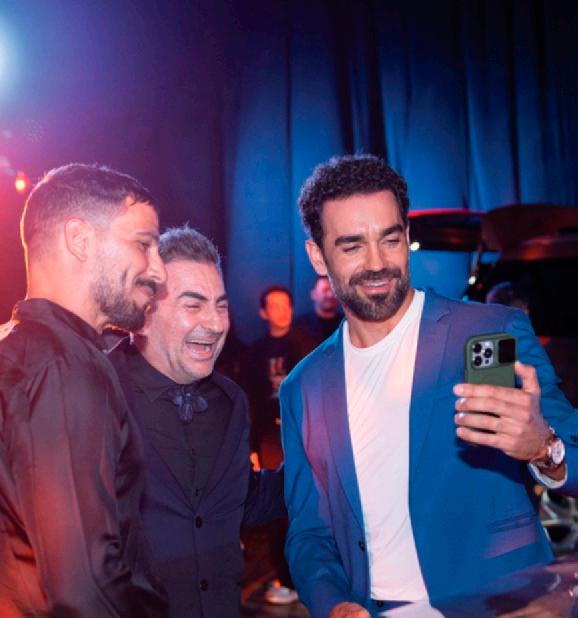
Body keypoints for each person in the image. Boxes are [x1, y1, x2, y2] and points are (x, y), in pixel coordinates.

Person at [280, 154, 578, 618]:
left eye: (390, 239)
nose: (377, 263)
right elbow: (309, 532)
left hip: (502, 605)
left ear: (406, 237)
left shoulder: (487, 334)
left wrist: (545, 448)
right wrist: (333, 603)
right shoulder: (304, 386)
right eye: (353, 246)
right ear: (317, 256)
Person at [0, 163, 169, 616]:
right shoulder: (66, 367)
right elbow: (85, 585)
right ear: (80, 239)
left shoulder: (18, 350)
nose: (158, 271)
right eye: (144, 244)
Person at [108, 225, 285, 618]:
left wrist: (325, 463)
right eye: (194, 305)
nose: (216, 323)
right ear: (144, 313)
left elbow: (238, 501)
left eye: (221, 306)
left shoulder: (230, 402)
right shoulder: (98, 395)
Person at [295, 275, 342, 349]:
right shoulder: (300, 326)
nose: (330, 295)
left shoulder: (347, 325)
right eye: (325, 290)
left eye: (334, 290)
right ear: (313, 295)